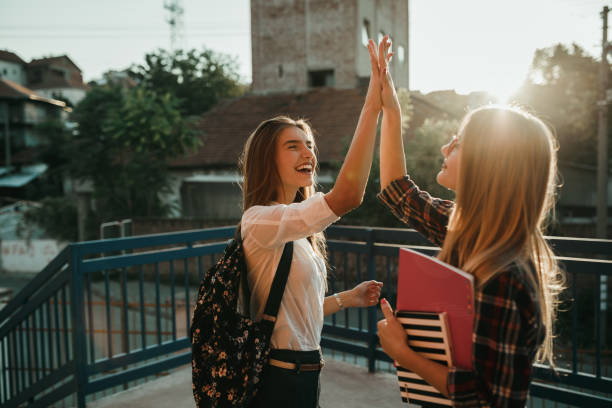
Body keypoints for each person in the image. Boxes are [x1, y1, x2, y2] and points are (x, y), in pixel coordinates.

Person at [374, 45, 564, 407]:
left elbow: (487, 401)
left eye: (458, 142)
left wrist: (404, 353)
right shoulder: (467, 230)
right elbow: (397, 191)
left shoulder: (506, 277)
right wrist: (391, 111)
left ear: (486, 163)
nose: (446, 147)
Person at [239, 38, 391, 408]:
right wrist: (373, 106)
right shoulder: (260, 221)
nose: (308, 152)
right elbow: (349, 195)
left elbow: (295, 314)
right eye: (293, 145)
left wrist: (347, 298)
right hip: (279, 377)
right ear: (266, 159)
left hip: (305, 371)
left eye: (309, 144)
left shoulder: (297, 231)